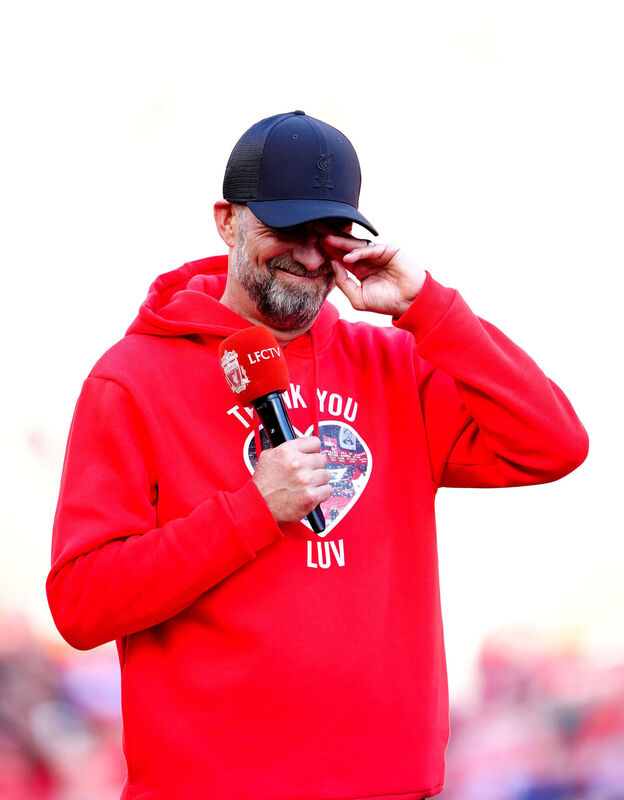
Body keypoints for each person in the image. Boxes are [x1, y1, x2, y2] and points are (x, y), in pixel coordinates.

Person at [47, 110, 589, 800]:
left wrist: (428, 306)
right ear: (226, 221)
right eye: (285, 228)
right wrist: (250, 512)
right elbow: (81, 604)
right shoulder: (132, 379)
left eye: (326, 233)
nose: (308, 255)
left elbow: (554, 444)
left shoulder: (397, 365)